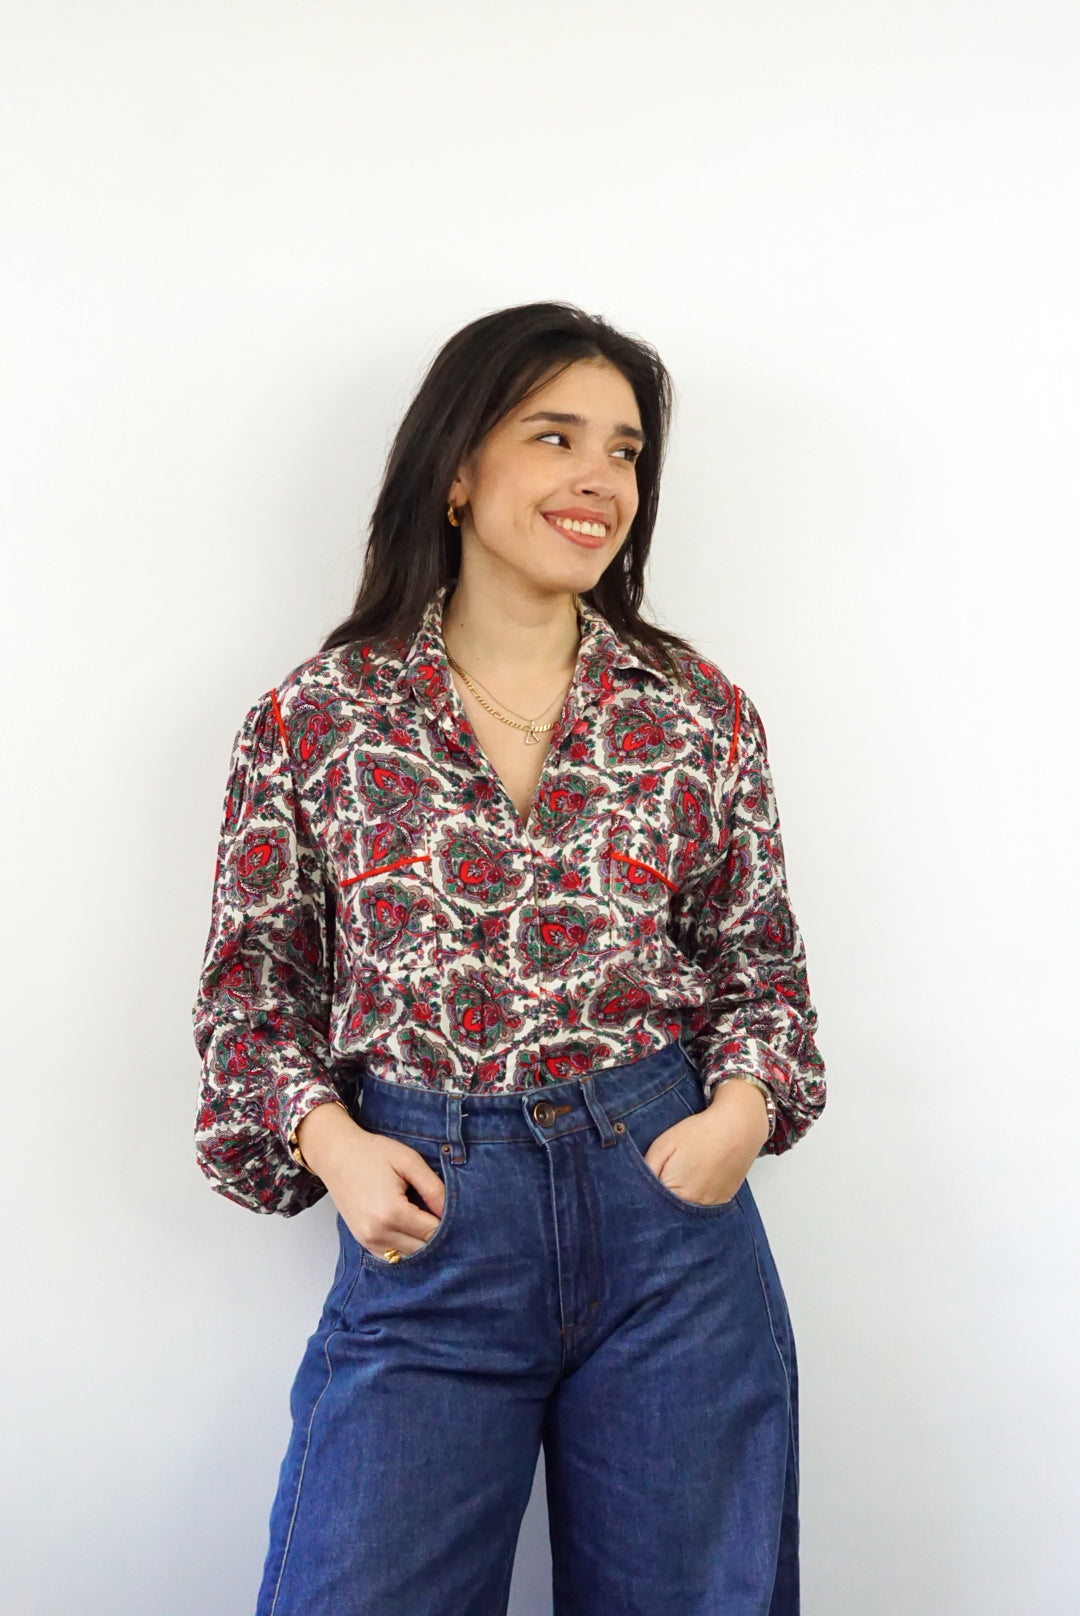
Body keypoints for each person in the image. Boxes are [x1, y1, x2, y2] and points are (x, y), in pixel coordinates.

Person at [192, 301, 826, 1616]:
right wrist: (334, 1146)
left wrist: (737, 1118)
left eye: (626, 452)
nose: (601, 480)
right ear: (459, 469)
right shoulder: (318, 720)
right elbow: (250, 1000)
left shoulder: (695, 713)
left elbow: (761, 973)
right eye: (556, 437)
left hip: (670, 1233)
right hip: (433, 1231)